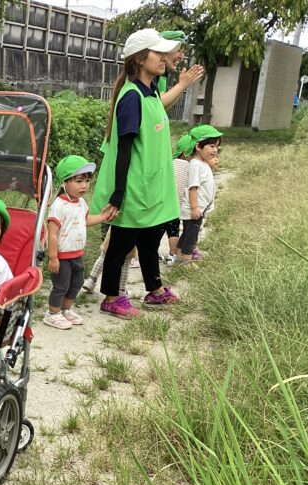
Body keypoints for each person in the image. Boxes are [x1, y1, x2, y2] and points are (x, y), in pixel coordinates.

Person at [90, 28, 183, 319]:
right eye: (158, 53)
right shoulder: (131, 96)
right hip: (134, 187)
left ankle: (155, 290)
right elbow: (124, 148)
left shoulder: (151, 91)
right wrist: (118, 193)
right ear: (141, 58)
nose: (164, 58)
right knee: (120, 245)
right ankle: (111, 298)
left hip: (152, 186)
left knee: (150, 241)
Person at [43, 156, 113, 329]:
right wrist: (53, 257)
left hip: (77, 254)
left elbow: (85, 220)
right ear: (64, 182)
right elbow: (52, 234)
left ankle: (65, 309)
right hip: (61, 256)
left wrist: (104, 216)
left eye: (87, 181)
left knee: (76, 283)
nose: (84, 186)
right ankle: (52, 313)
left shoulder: (81, 202)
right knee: (61, 286)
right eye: (79, 181)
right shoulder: (58, 205)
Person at [174, 125, 222, 265]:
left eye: (217, 146)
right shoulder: (195, 165)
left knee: (187, 235)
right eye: (211, 146)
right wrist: (194, 208)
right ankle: (185, 263)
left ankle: (178, 257)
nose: (215, 150)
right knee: (191, 238)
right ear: (198, 147)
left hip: (198, 209)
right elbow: (193, 188)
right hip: (195, 210)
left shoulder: (201, 163)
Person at [157, 30, 205, 109]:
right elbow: (155, 104)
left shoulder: (162, 74)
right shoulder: (148, 74)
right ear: (164, 49)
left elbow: (162, 108)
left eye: (183, 52)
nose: (182, 57)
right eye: (178, 50)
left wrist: (183, 86)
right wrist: (181, 85)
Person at [165, 132, 194, 264]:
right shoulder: (190, 167)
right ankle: (172, 254)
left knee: (156, 232)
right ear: (185, 154)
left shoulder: (170, 162)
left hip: (163, 203)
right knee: (173, 231)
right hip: (176, 207)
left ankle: (148, 254)